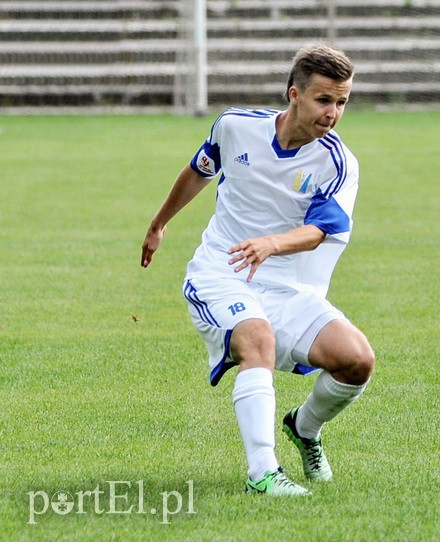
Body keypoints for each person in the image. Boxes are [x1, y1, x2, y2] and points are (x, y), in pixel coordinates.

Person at [141, 44, 374, 496]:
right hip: (221, 272)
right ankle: (262, 473)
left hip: (286, 288)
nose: (334, 112)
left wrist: (272, 244)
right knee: (257, 339)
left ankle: (304, 429)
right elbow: (199, 170)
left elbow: (322, 229)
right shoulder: (235, 126)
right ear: (294, 94)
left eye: (342, 102)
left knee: (357, 361)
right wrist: (159, 222)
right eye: (324, 100)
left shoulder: (337, 162)